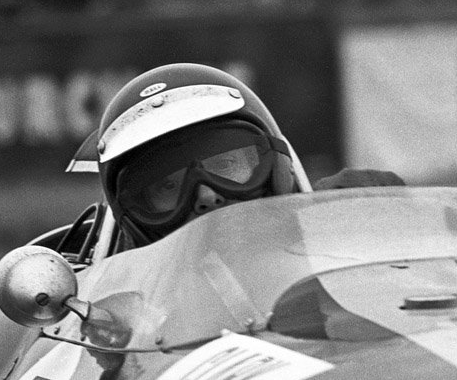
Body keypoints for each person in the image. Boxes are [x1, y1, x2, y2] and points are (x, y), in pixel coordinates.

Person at [96, 62, 401, 249]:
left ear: (276, 166)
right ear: (135, 217)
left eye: (226, 165)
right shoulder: (111, 321)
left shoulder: (355, 212)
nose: (206, 195)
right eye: (169, 187)